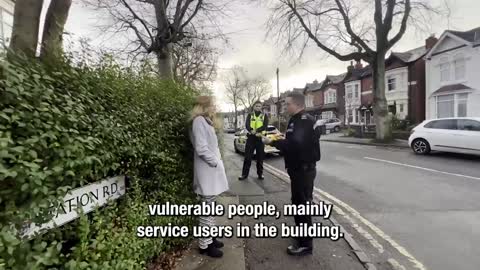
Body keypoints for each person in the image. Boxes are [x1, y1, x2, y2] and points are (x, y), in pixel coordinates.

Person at [262, 92, 321, 256]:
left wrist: (272, 141)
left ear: (298, 105)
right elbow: (303, 140)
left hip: (303, 170)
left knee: (302, 206)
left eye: (287, 104)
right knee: (298, 203)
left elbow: (294, 145)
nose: (285, 106)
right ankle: (302, 236)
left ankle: (305, 245)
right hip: (301, 169)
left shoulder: (302, 121)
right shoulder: (302, 120)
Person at [189, 96, 229, 258]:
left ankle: (210, 239)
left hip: (210, 171)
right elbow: (202, 148)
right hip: (207, 171)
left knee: (210, 209)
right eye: (212, 105)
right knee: (207, 211)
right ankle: (204, 245)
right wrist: (216, 163)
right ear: (203, 106)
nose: (214, 108)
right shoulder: (199, 121)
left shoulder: (205, 121)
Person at [239, 101, 269, 181]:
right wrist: (251, 130)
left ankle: (260, 174)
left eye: (259, 106)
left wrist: (257, 130)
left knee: (260, 158)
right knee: (247, 157)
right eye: (256, 106)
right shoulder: (250, 115)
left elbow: (265, 125)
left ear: (261, 107)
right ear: (253, 107)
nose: (258, 107)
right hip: (251, 138)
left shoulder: (264, 115)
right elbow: (247, 124)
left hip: (260, 138)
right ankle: (244, 175)